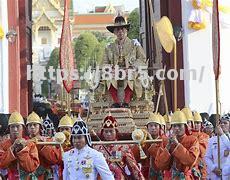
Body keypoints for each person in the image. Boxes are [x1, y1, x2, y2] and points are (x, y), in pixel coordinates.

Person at [103, 15, 147, 108]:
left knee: (130, 74)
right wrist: (109, 68)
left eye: (122, 29)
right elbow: (104, 62)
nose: (120, 32)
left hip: (130, 70)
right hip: (115, 71)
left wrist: (132, 67)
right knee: (107, 75)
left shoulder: (134, 45)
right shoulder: (109, 47)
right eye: (117, 30)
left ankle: (126, 101)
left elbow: (142, 59)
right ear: (114, 32)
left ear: (126, 31)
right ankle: (116, 102)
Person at [94, 114, 144, 179]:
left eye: (111, 131)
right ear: (102, 133)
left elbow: (133, 167)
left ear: (116, 132)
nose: (108, 134)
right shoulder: (97, 148)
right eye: (106, 132)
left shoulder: (123, 147)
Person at [155, 109, 200, 180]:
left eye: (179, 125)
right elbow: (160, 165)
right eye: (174, 126)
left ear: (185, 126)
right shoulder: (166, 141)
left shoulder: (193, 140)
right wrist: (168, 147)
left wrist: (177, 144)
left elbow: (190, 160)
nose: (176, 128)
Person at [0, 111, 40, 179]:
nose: (15, 129)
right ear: (9, 129)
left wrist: (23, 150)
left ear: (23, 128)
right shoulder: (3, 145)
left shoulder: (30, 144)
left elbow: (31, 168)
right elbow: (1, 164)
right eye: (12, 127)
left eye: (18, 126)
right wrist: (12, 148)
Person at [26, 111, 62, 179]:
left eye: (35, 125)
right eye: (30, 125)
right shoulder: (24, 141)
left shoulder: (47, 140)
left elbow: (54, 160)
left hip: (44, 176)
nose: (32, 127)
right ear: (27, 128)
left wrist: (41, 145)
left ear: (40, 127)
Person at [132, 112, 166, 179]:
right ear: (147, 128)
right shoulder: (144, 139)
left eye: (156, 125)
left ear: (160, 127)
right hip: (146, 173)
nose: (153, 128)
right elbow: (136, 157)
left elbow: (162, 157)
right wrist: (139, 143)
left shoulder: (164, 140)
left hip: (161, 172)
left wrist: (151, 142)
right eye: (151, 126)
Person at [205, 113, 230, 180]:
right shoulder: (212, 140)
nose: (222, 124)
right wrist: (213, 168)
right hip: (216, 175)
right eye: (221, 123)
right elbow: (207, 157)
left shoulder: (227, 139)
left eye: (225, 123)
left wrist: (222, 134)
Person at [192, 111, 209, 179]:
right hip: (193, 163)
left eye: (198, 123)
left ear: (201, 124)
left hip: (202, 162)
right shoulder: (188, 136)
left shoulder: (205, 136)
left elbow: (203, 152)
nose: (196, 125)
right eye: (194, 123)